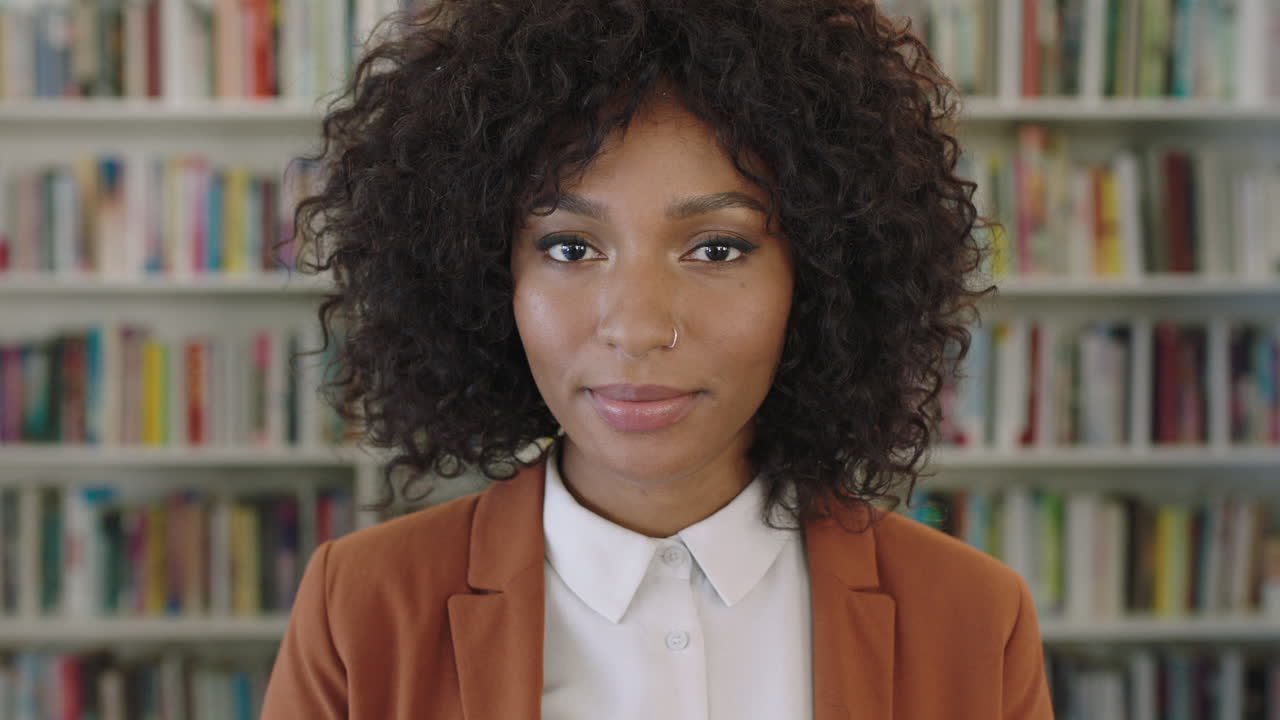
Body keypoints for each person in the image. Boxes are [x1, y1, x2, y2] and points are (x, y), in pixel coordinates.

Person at [261, 0, 1054, 718]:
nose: (638, 327)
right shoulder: (358, 611)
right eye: (570, 246)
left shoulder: (974, 619)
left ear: (818, 279)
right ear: (483, 275)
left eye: (716, 248)